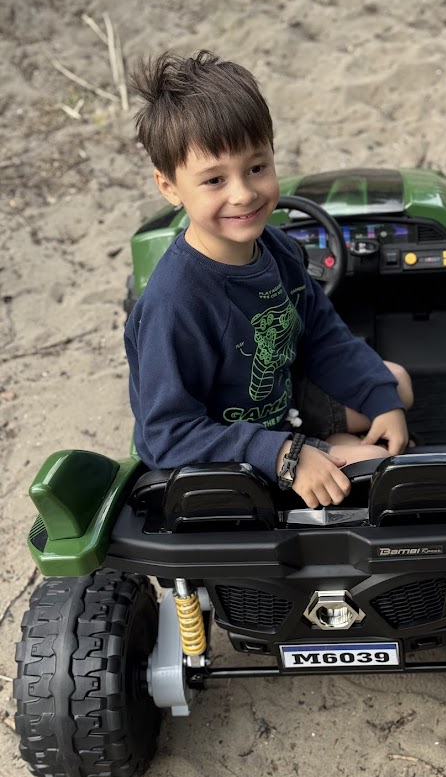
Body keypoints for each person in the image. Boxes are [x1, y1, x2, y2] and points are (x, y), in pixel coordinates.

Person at [125, 50, 413, 510]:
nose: (243, 194)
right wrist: (283, 455)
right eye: (214, 180)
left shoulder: (276, 247)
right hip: (227, 449)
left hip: (282, 404)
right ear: (169, 187)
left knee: (395, 384)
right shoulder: (176, 301)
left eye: (256, 168)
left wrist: (380, 399)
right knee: (377, 463)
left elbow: (322, 335)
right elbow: (167, 435)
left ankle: (329, 446)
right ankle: (327, 453)